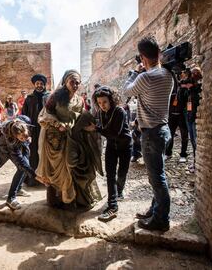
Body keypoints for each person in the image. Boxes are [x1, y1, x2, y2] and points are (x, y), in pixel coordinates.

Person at [121, 36, 173, 231]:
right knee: (157, 175)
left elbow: (125, 91)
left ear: (142, 57)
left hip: (151, 133)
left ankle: (161, 220)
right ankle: (155, 210)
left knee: (157, 178)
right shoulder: (168, 75)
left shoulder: (145, 77)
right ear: (158, 53)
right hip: (163, 129)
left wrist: (134, 72)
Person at [36, 69, 103, 210]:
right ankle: (57, 201)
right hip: (54, 140)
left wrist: (88, 127)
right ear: (65, 81)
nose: (75, 85)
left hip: (73, 139)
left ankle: (72, 201)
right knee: (58, 171)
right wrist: (57, 124)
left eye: (77, 82)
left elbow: (81, 117)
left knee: (72, 168)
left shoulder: (79, 99)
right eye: (72, 81)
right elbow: (44, 115)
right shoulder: (56, 97)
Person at [88, 86, 132, 221]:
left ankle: (119, 191)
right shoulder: (101, 112)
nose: (102, 106)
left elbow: (114, 133)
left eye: (105, 102)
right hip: (112, 146)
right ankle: (112, 206)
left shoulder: (119, 111)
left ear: (111, 100)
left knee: (122, 173)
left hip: (125, 146)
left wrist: (96, 128)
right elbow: (106, 131)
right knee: (110, 175)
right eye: (99, 103)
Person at [0, 115, 40, 210]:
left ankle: (18, 189)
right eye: (21, 138)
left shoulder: (23, 123)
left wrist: (25, 141)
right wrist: (36, 176)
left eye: (25, 135)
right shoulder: (11, 140)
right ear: (15, 136)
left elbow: (24, 139)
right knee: (22, 168)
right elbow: (21, 162)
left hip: (17, 144)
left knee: (26, 166)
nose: (25, 138)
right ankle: (11, 198)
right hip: (5, 150)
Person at [21, 74, 50, 186]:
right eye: (37, 83)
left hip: (45, 130)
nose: (39, 85)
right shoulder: (29, 98)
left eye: (41, 84)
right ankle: (32, 180)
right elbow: (24, 114)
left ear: (44, 85)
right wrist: (26, 130)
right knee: (32, 154)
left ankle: (45, 180)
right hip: (32, 130)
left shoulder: (49, 97)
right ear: (34, 84)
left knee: (44, 153)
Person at [165, 69, 190, 163]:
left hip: (182, 115)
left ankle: (183, 154)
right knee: (170, 135)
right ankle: (168, 153)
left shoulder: (184, 87)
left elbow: (187, 98)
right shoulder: (170, 87)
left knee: (184, 135)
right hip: (172, 115)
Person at [181, 66, 202, 173]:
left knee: (196, 140)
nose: (193, 76)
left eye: (195, 74)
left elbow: (197, 100)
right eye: (192, 74)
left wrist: (192, 88)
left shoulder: (199, 87)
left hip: (195, 117)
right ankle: (195, 162)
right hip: (188, 115)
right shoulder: (189, 88)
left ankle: (197, 162)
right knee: (193, 140)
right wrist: (187, 88)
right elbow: (182, 98)